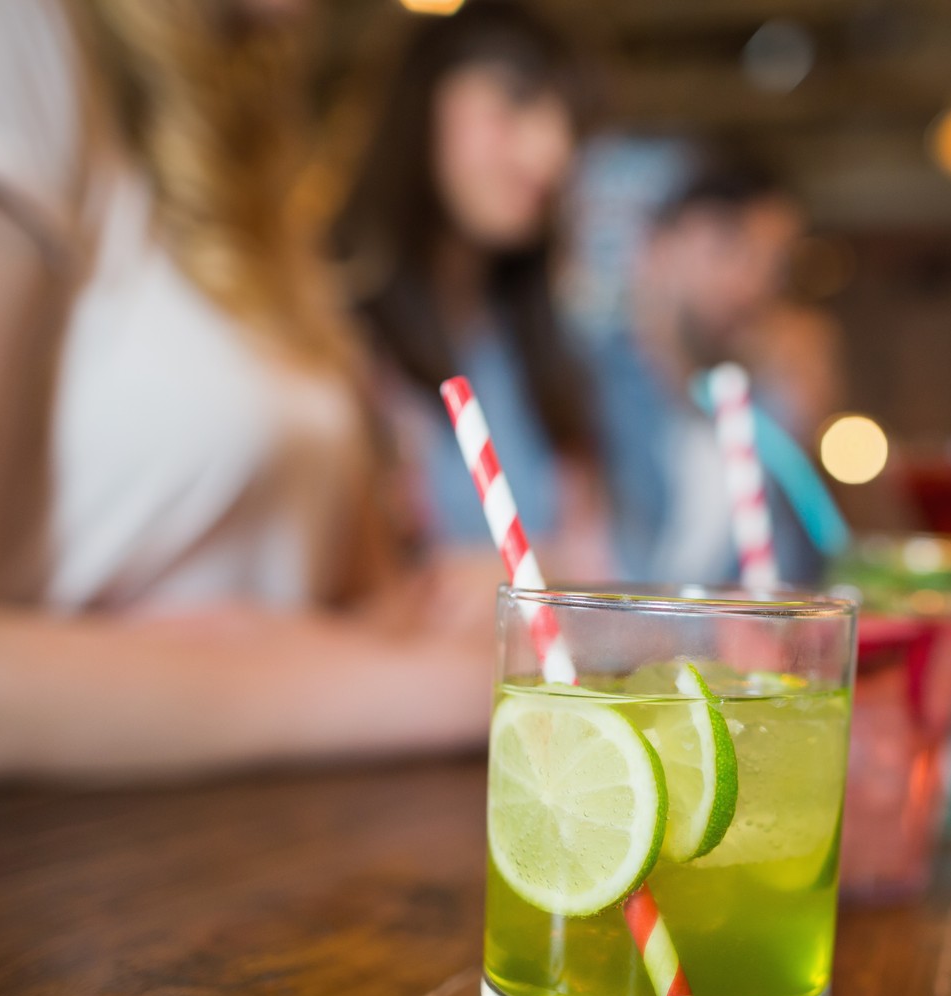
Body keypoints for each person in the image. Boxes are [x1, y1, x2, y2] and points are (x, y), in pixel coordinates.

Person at [0, 0, 499, 781]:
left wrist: (415, 615)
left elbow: (313, 603)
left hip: (249, 848)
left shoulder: (246, 147)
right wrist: (436, 688)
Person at [337, 1, 607, 578]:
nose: (551, 153)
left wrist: (529, 574)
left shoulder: (543, 351)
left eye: (569, 127)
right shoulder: (327, 334)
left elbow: (601, 559)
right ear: (421, 104)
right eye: (514, 101)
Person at [584, 153, 829, 583]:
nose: (751, 286)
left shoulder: (760, 412)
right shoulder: (578, 390)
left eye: (774, 263)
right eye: (728, 247)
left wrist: (806, 425)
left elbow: (797, 577)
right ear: (652, 250)